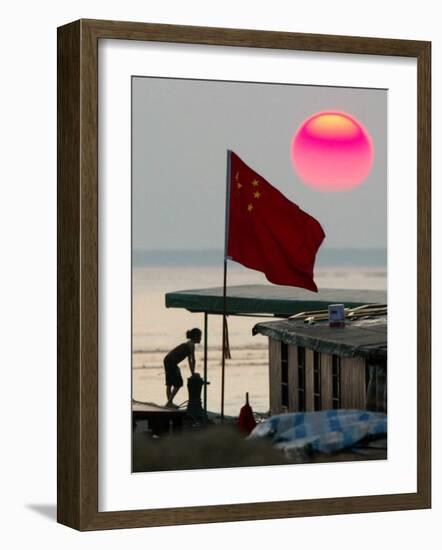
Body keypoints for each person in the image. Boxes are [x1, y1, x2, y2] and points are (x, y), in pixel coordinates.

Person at [163, 328, 202, 408]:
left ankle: (169, 403)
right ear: (195, 337)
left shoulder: (189, 343)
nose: (201, 338)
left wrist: (192, 373)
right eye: (200, 336)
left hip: (167, 359)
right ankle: (169, 402)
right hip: (171, 362)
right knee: (178, 383)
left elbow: (190, 360)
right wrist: (193, 373)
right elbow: (192, 360)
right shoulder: (191, 345)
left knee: (169, 383)